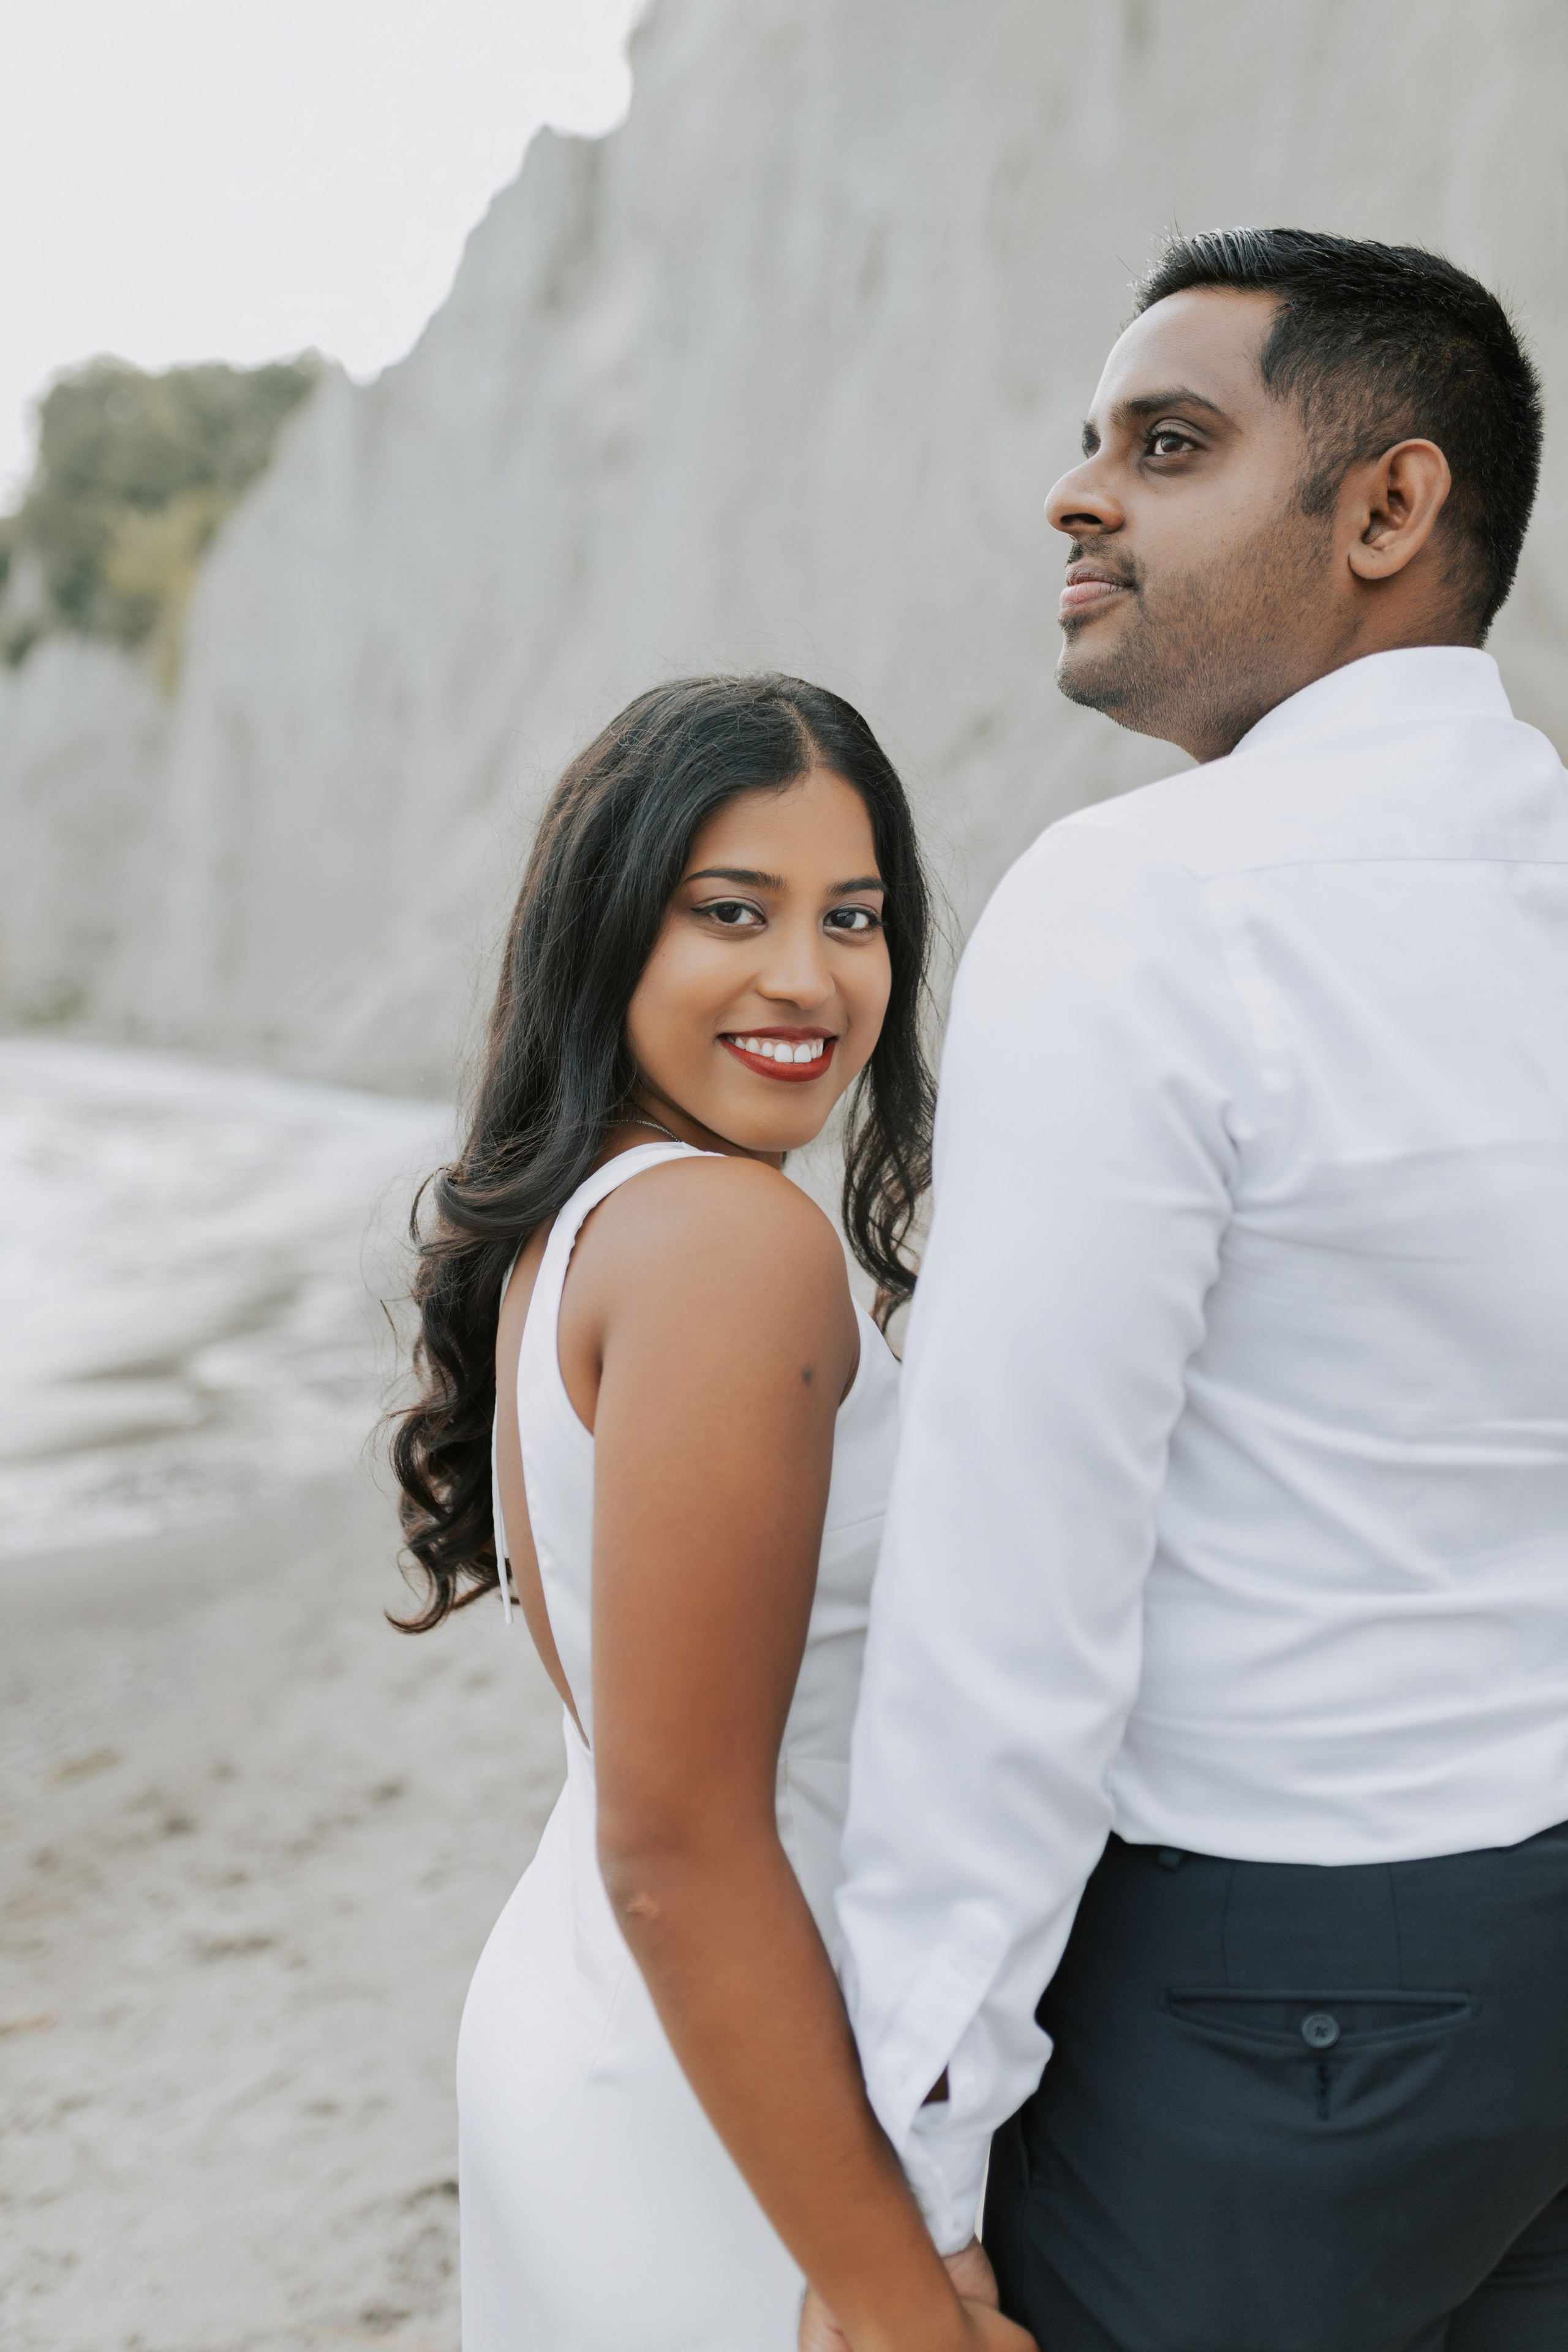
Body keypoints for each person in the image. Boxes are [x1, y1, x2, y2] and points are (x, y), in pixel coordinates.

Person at [820, 230, 1568, 2352]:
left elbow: (1013, 1585)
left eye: (1167, 445)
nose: (1077, 496)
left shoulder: (1142, 907)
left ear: (1388, 508)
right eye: (1092, 443)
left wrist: (915, 2161)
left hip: (1270, 2021)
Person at [391, 676, 1034, 2352]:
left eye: (855, 918)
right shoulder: (730, 1248)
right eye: (732, 912)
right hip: (728, 2093)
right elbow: (680, 1840)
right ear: (610, 933)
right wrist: (898, 2303)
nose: (807, 977)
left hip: (625, 2024)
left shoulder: (595, 1225)